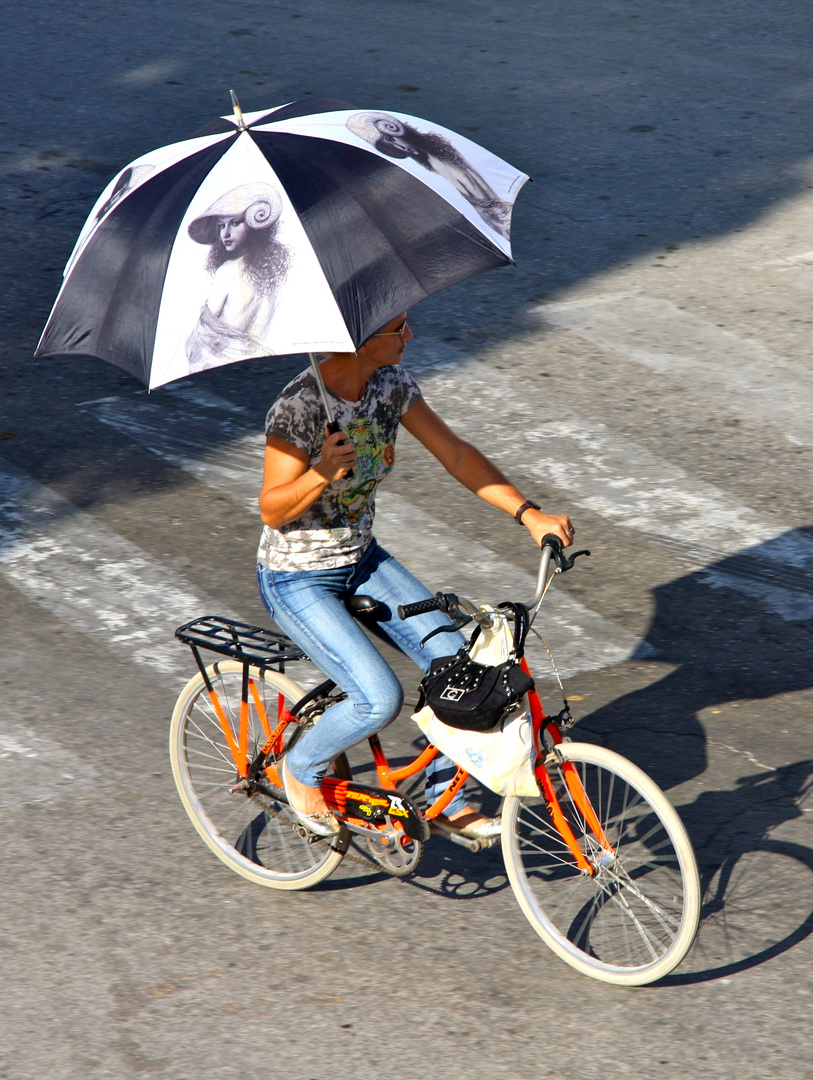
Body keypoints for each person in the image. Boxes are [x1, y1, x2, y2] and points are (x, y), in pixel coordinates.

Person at [257, 313, 574, 836]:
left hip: (361, 559)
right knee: (378, 699)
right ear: (359, 340)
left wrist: (528, 513)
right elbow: (272, 509)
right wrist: (321, 473)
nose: (409, 336)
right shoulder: (298, 408)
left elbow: (454, 453)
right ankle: (301, 767)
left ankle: (442, 802)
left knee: (460, 668)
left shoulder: (390, 385)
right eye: (397, 328)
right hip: (297, 577)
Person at [346, 112, 512, 239]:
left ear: (397, 131)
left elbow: (474, 187)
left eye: (391, 139)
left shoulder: (436, 155)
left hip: (493, 213)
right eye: (389, 144)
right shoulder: (427, 159)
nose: (399, 147)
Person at [185, 182, 289, 372]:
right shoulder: (273, 273)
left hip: (222, 366)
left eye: (234, 223)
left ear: (252, 225)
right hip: (260, 364)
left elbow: (204, 332)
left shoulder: (227, 270)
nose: (225, 234)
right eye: (221, 226)